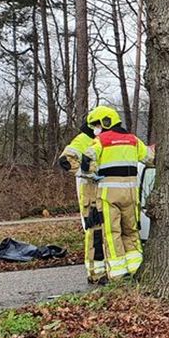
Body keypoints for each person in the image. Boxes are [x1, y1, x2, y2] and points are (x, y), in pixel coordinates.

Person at [82, 106, 155, 280]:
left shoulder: (101, 141)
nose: (96, 129)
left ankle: (118, 273)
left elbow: (87, 160)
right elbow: (150, 158)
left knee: (112, 233)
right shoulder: (133, 140)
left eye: (97, 125)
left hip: (108, 196)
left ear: (105, 122)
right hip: (131, 195)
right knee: (131, 231)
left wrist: (91, 174)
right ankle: (136, 268)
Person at [58, 120, 106, 283]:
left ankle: (102, 270)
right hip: (89, 194)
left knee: (103, 233)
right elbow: (65, 161)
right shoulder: (83, 139)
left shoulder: (102, 140)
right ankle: (95, 273)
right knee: (95, 233)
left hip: (102, 193)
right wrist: (85, 173)